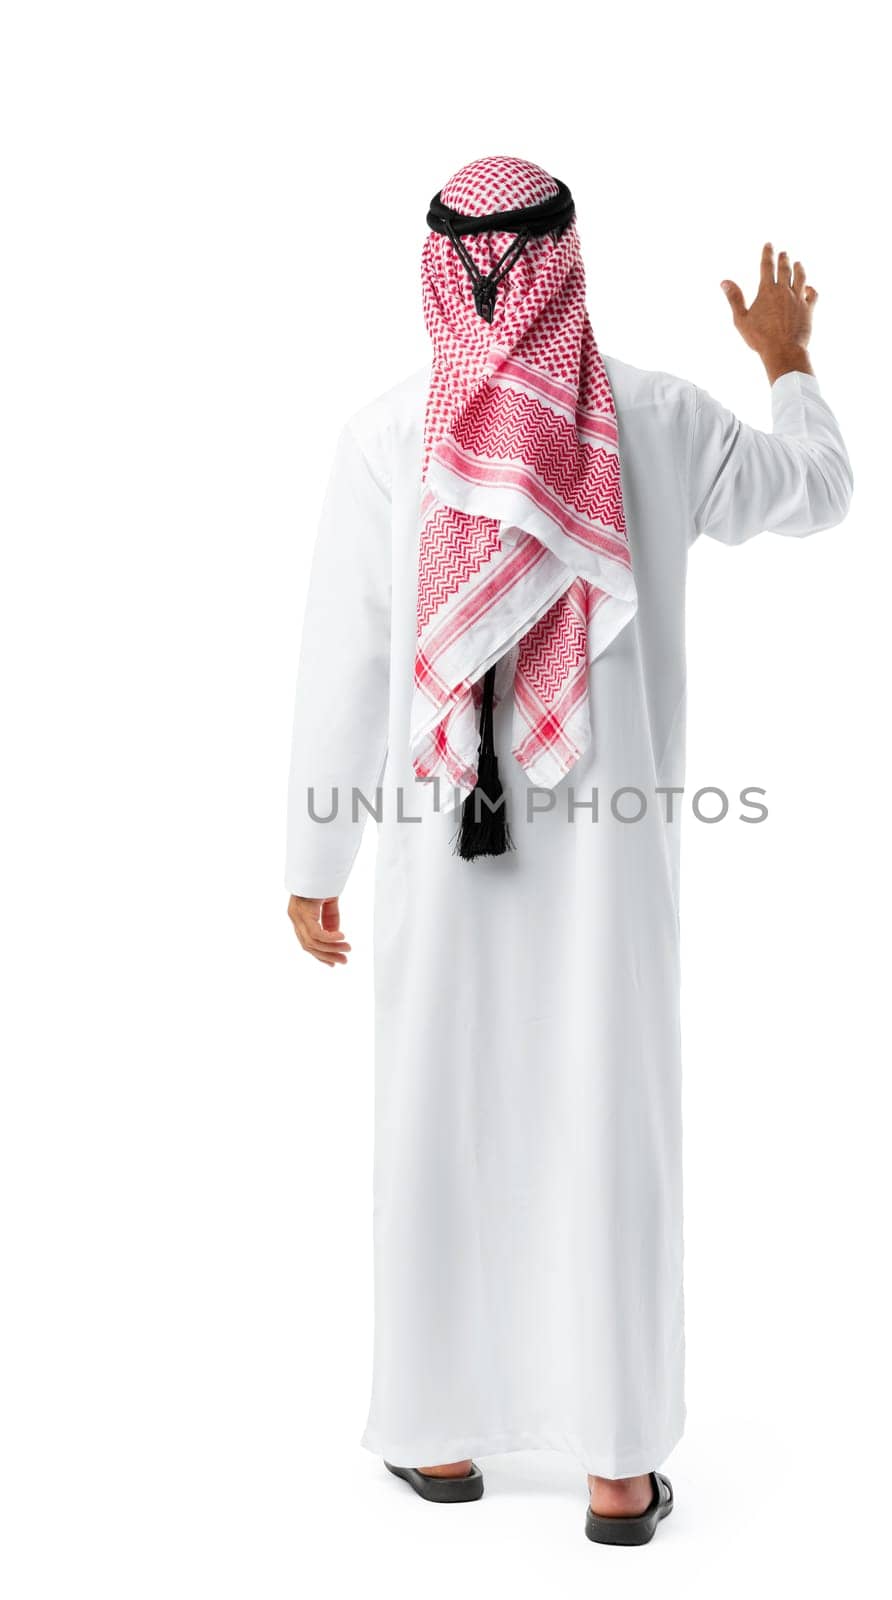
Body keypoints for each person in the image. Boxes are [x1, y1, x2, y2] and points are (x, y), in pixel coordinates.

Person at [285, 155, 852, 1546]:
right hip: (617, 871)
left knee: (439, 1119)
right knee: (609, 1126)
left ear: (437, 271)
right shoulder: (659, 417)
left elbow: (345, 665)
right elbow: (818, 487)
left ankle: (438, 1437)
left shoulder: (386, 437)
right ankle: (614, 1468)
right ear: (567, 260)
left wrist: (316, 856)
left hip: (436, 857)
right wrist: (789, 363)